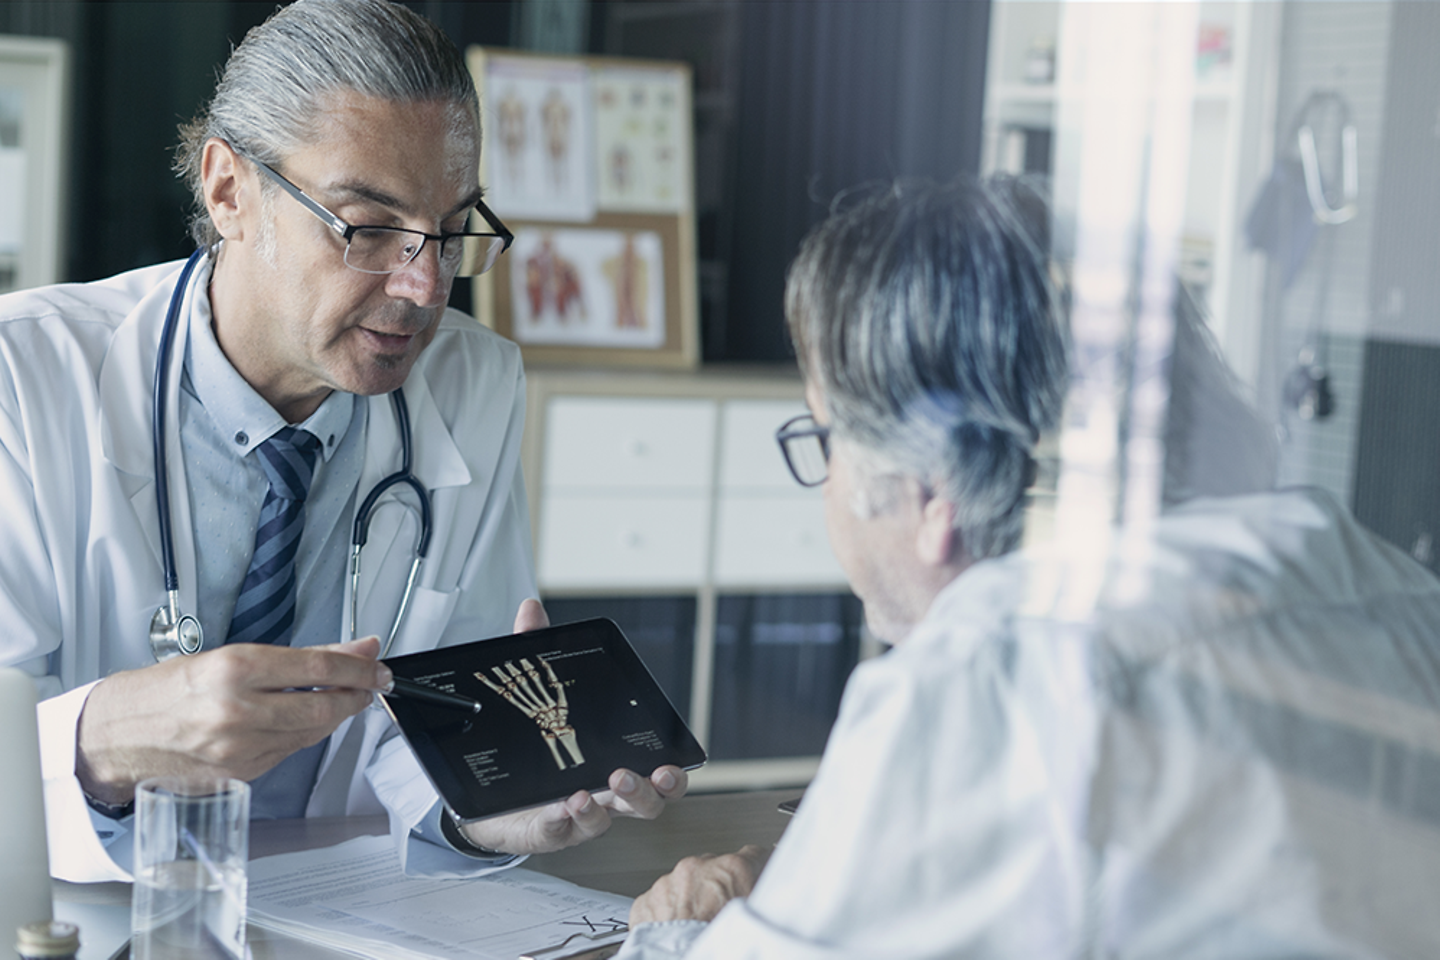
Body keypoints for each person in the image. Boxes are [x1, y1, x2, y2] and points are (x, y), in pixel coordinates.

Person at [616, 178, 1440, 958]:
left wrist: (682, 926)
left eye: (827, 439)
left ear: (930, 489)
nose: (825, 485)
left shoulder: (998, 673)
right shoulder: (1385, 583)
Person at [0, 0, 684, 884]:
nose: (424, 284)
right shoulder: (24, 376)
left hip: (346, 911)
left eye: (449, 231)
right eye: (368, 227)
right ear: (227, 190)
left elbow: (435, 718)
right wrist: (105, 741)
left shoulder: (474, 384)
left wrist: (490, 806)